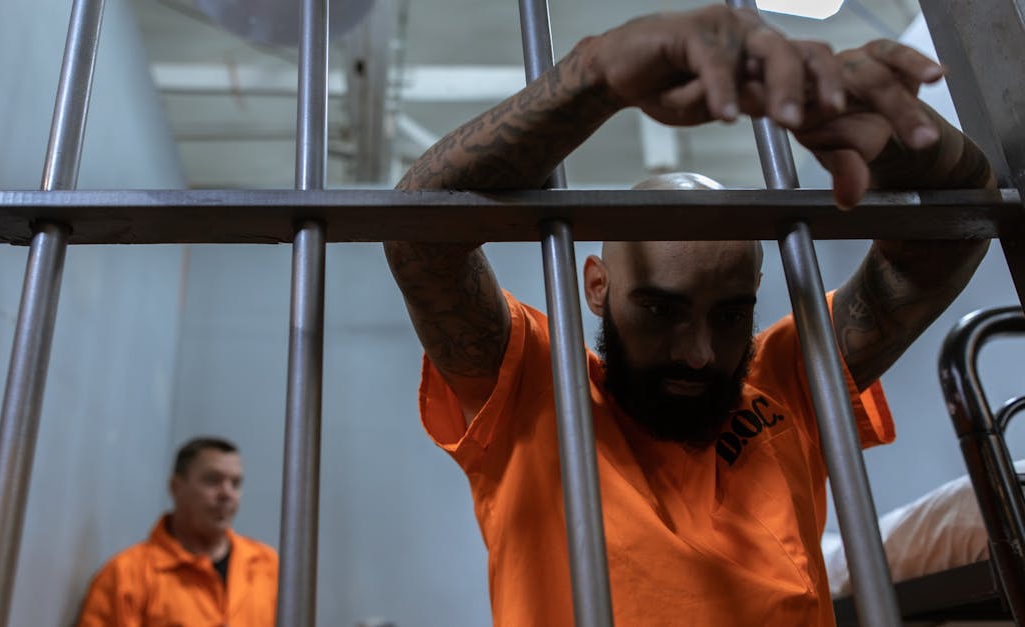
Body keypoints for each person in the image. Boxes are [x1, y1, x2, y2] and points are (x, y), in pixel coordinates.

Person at [383, 5, 993, 626]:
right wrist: (595, 75)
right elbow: (416, 231)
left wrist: (887, 137)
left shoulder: (790, 379)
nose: (699, 353)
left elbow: (960, 229)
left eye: (729, 316)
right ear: (597, 287)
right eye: (659, 309)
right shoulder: (537, 394)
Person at [77, 437, 277, 627]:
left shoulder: (268, 566)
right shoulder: (127, 576)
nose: (227, 494)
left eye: (235, 483)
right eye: (212, 480)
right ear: (175, 487)